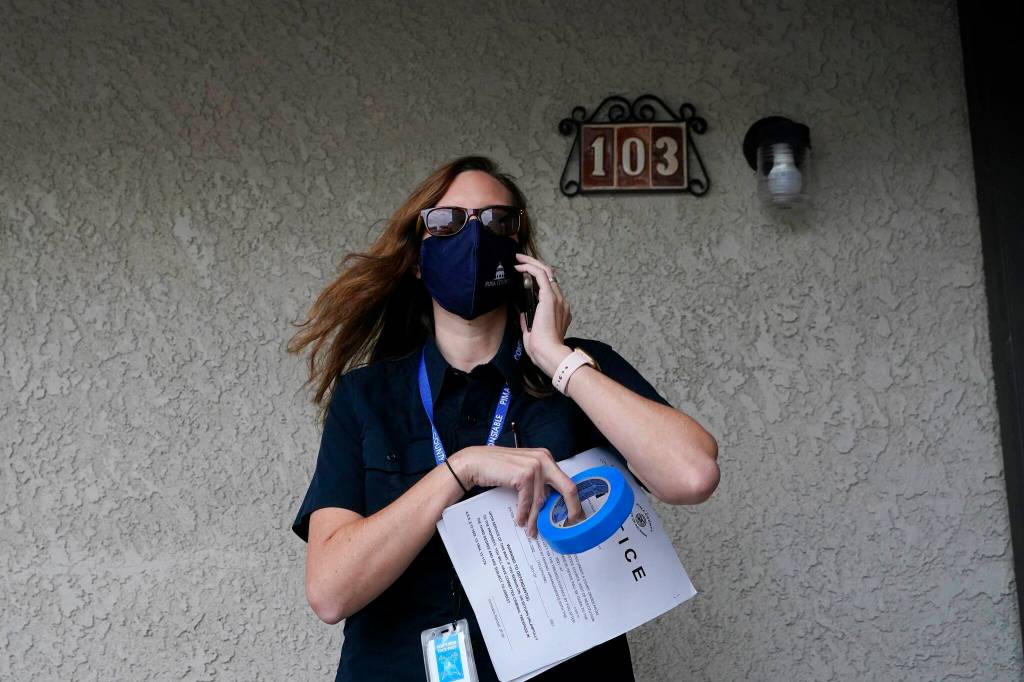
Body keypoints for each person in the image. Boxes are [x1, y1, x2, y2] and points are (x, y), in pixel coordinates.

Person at [288, 155, 720, 681]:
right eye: (447, 222)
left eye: (496, 221)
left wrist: (558, 359)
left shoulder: (578, 372)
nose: (473, 237)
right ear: (419, 260)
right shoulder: (367, 396)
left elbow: (692, 474)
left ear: (518, 254)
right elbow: (331, 591)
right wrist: (461, 469)